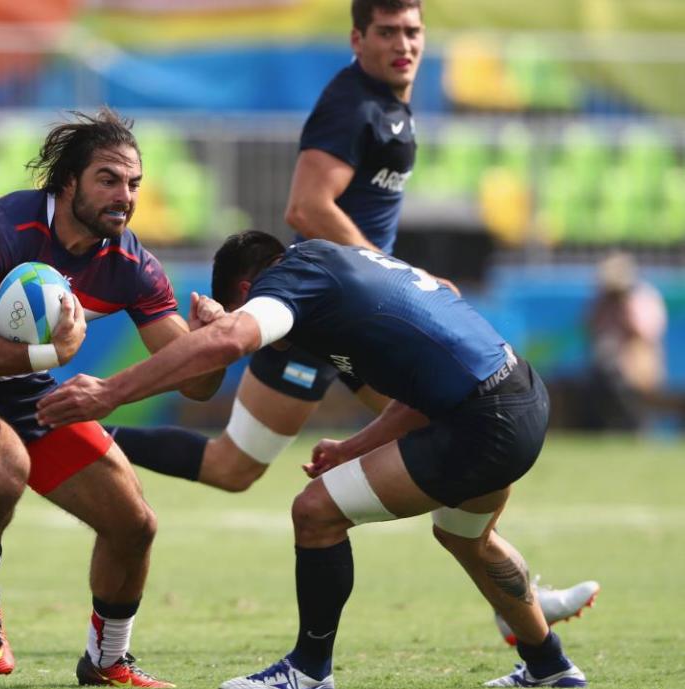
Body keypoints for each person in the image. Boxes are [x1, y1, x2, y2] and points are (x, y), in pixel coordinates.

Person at [105, 0, 597, 645]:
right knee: (250, 463)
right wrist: (391, 277)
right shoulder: (354, 104)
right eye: (387, 32)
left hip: (349, 319)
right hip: (329, 316)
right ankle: (85, 433)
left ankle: (517, 606)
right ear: (356, 38)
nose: (404, 44)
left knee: (447, 433)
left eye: (413, 31)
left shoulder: (390, 104)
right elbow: (308, 208)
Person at [37, 231, 591, 689]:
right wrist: (354, 447)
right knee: (467, 537)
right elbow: (423, 381)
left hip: (483, 422)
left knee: (315, 513)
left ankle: (307, 669)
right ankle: (549, 664)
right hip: (518, 395)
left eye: (242, 304)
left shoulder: (292, 281)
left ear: (249, 290)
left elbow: (232, 337)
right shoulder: (339, 267)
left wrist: (108, 392)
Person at [0, 108, 221, 688]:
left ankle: (108, 659)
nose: (125, 196)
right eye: (108, 180)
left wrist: (217, 342)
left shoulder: (132, 265)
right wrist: (50, 357)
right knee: (3, 472)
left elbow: (194, 381)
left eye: (134, 183)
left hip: (26, 390)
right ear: (69, 182)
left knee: (133, 522)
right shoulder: (0, 227)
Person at [583, 252, 668, 431]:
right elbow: (593, 330)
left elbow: (647, 335)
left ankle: (636, 427)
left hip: (639, 362)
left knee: (622, 378)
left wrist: (626, 311)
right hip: (607, 365)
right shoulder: (603, 301)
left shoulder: (644, 297)